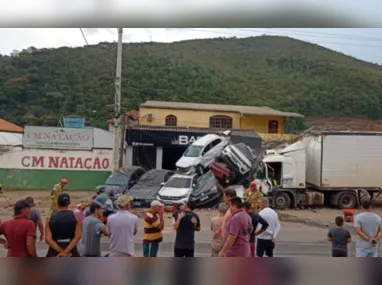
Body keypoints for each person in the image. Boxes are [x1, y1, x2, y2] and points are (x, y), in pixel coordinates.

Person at [45, 193, 81, 257]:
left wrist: (61, 252)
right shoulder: (76, 217)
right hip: (71, 251)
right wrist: (66, 252)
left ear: (58, 203)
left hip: (54, 251)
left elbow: (48, 239)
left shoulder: (50, 218)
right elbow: (77, 237)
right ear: (68, 203)